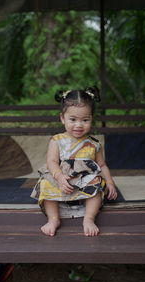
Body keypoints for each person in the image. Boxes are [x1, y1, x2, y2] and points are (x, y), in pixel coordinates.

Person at [31, 87, 117, 237]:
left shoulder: (94, 144)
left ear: (91, 118)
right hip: (63, 178)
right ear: (62, 118)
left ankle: (89, 218)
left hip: (84, 179)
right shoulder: (57, 140)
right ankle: (53, 219)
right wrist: (58, 176)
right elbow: (51, 162)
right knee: (45, 183)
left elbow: (102, 165)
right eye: (73, 119)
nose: (79, 125)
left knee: (97, 183)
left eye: (85, 120)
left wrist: (109, 182)